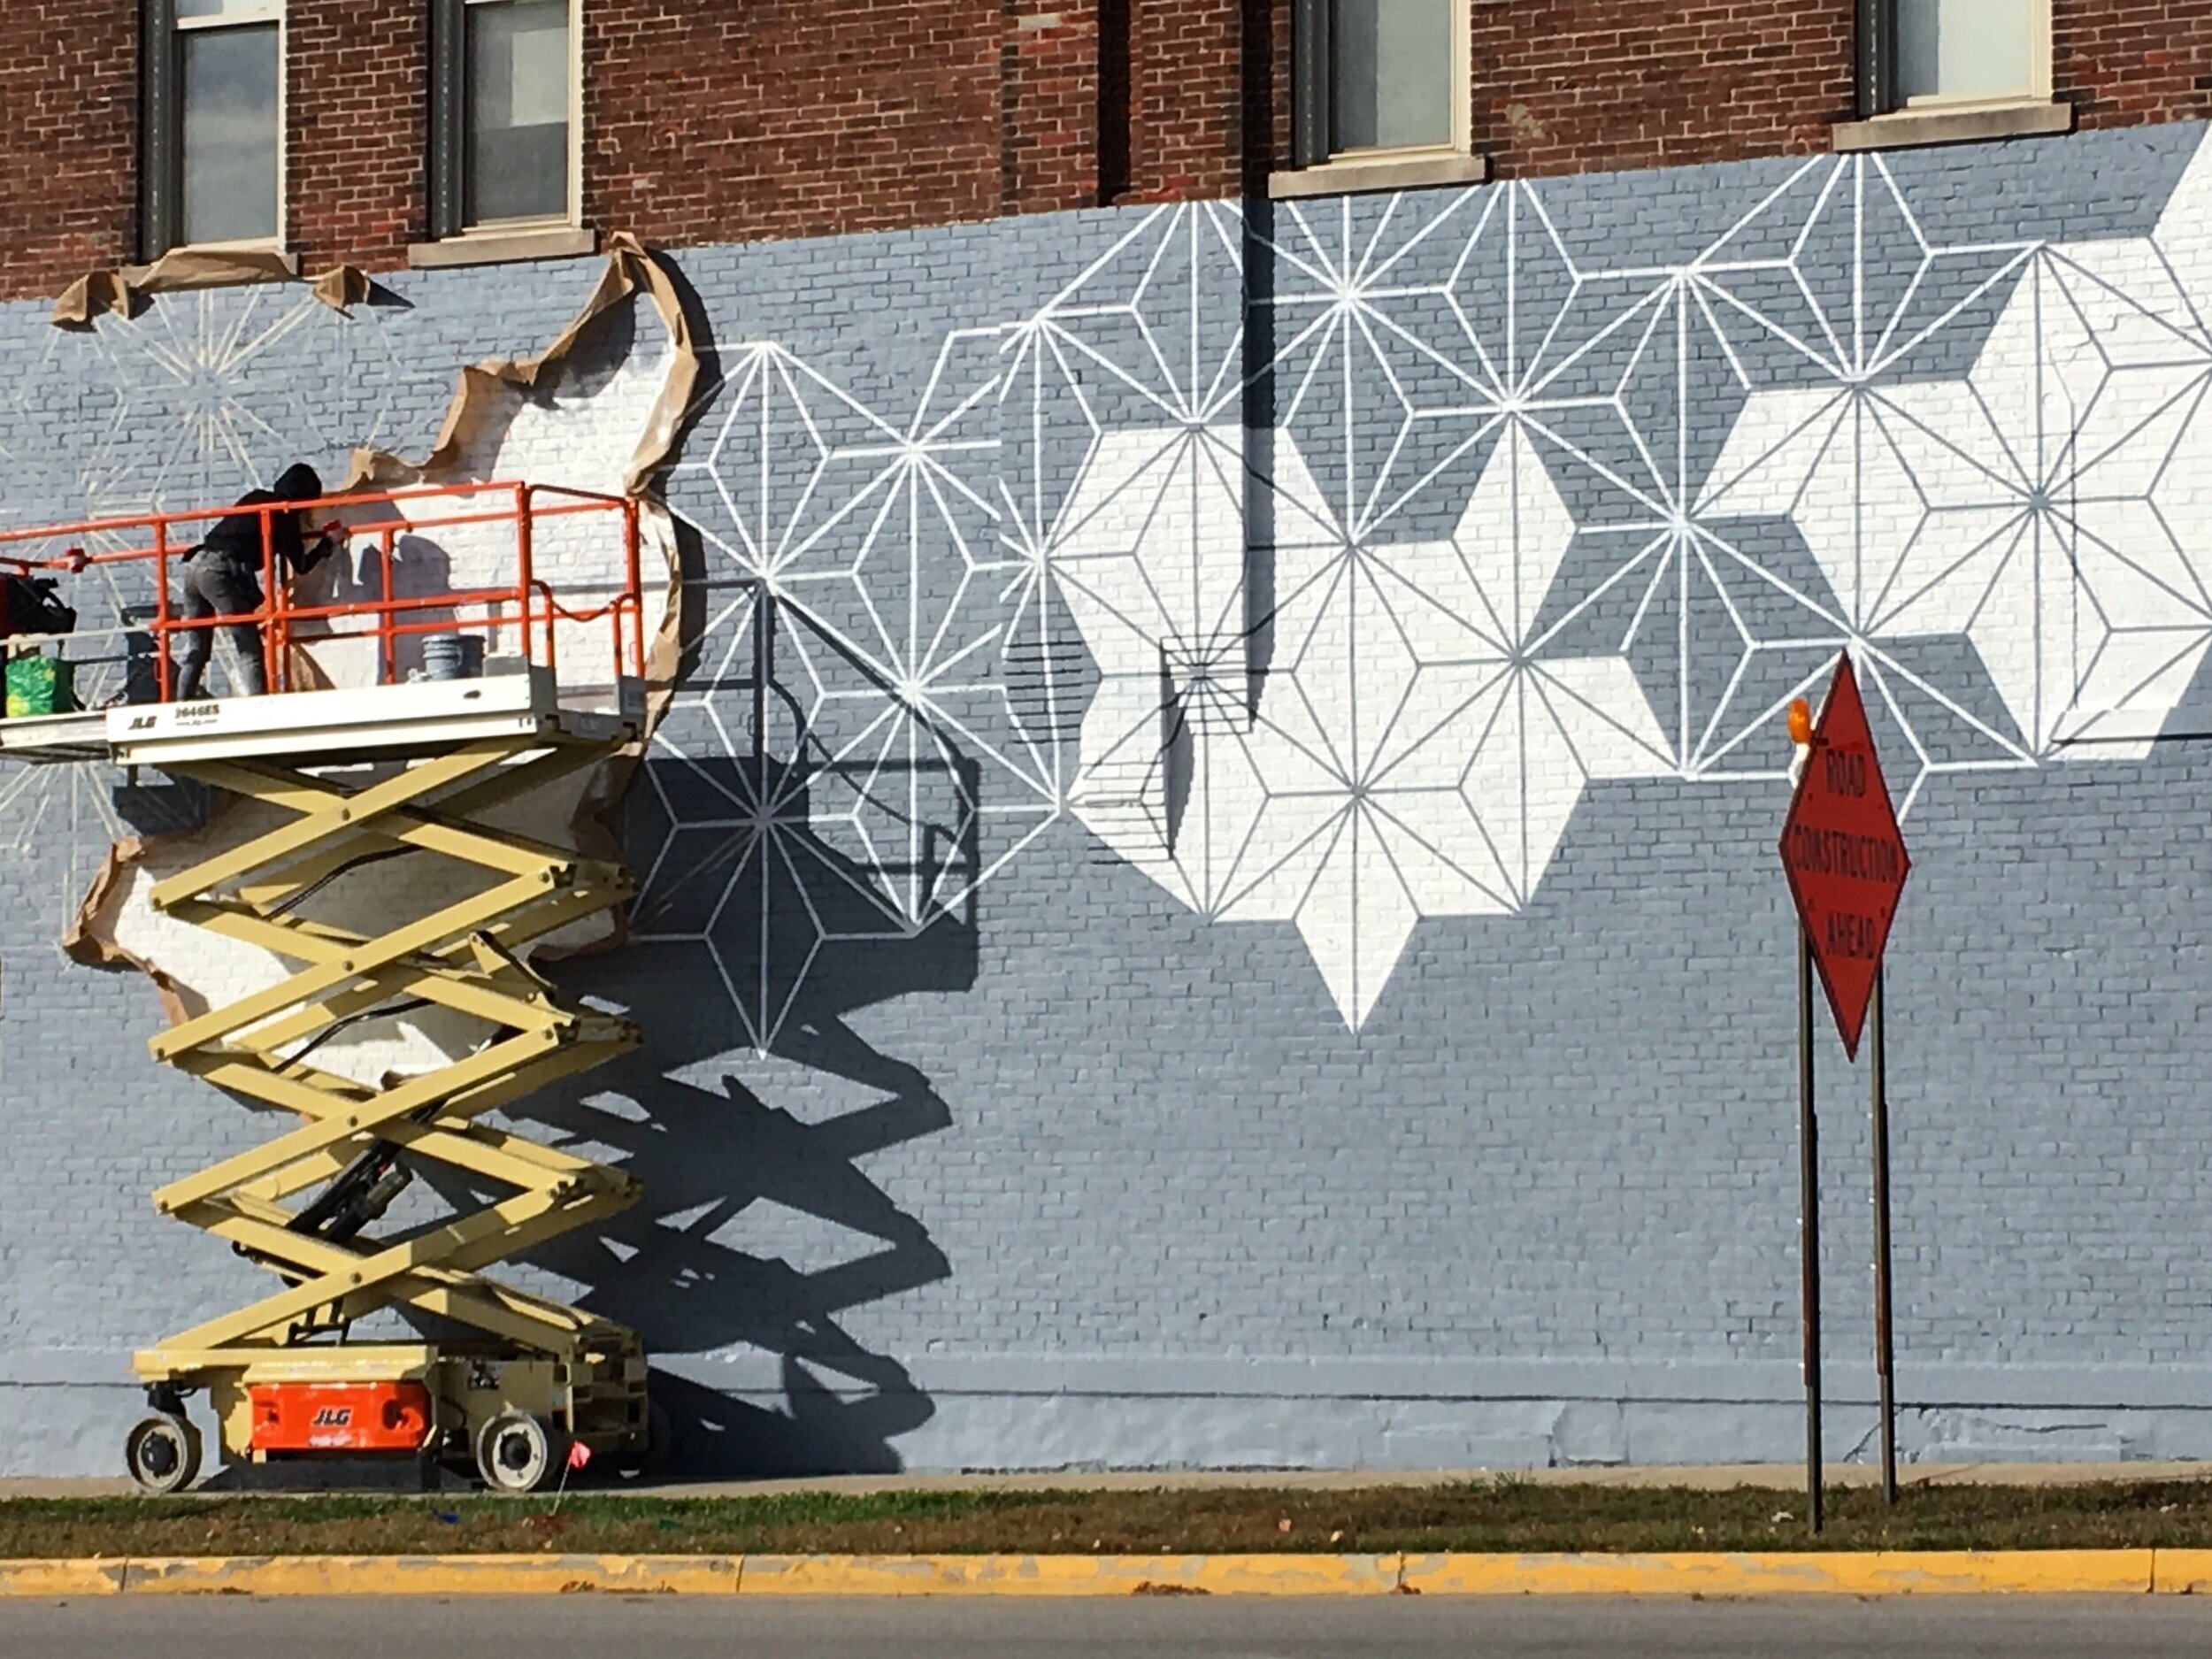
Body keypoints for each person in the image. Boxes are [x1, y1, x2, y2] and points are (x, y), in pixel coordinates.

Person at [173, 463, 342, 700]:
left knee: (197, 647)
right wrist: (327, 542)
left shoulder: (256, 497)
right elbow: (301, 565)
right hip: (220, 572)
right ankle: (259, 705)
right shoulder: (284, 515)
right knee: (248, 646)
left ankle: (179, 704)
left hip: (195, 563)